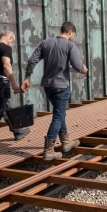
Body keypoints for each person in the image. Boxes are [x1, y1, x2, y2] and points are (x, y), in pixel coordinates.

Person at [21, 22, 88, 161]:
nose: (72, 38)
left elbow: (32, 60)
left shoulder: (45, 43)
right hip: (61, 86)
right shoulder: (70, 45)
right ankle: (49, 150)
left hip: (48, 86)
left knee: (59, 112)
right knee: (58, 116)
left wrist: (27, 77)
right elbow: (77, 65)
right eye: (73, 35)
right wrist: (83, 69)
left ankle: (66, 142)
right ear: (70, 32)